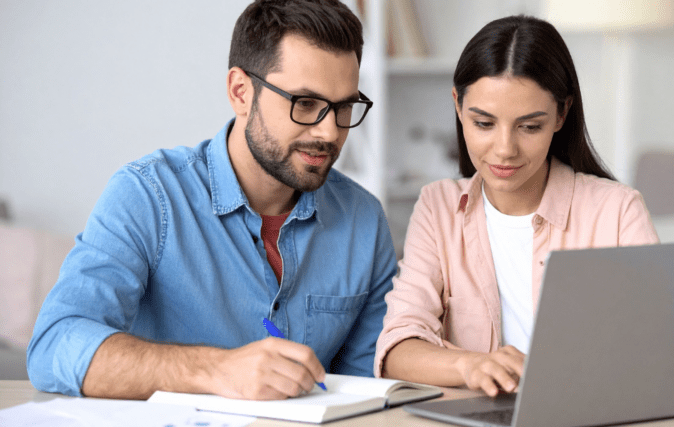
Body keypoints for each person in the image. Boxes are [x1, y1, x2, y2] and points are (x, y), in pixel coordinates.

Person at [27, 0, 397, 401]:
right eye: (305, 104)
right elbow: (54, 345)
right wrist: (217, 369)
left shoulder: (364, 219)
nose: (329, 132)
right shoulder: (149, 196)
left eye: (343, 107)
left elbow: (365, 384)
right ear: (240, 92)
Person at [374, 15, 658, 397]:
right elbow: (396, 350)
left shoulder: (618, 211)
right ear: (459, 107)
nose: (505, 150)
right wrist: (470, 364)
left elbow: (656, 351)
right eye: (484, 123)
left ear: (561, 114)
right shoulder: (438, 206)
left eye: (529, 126)